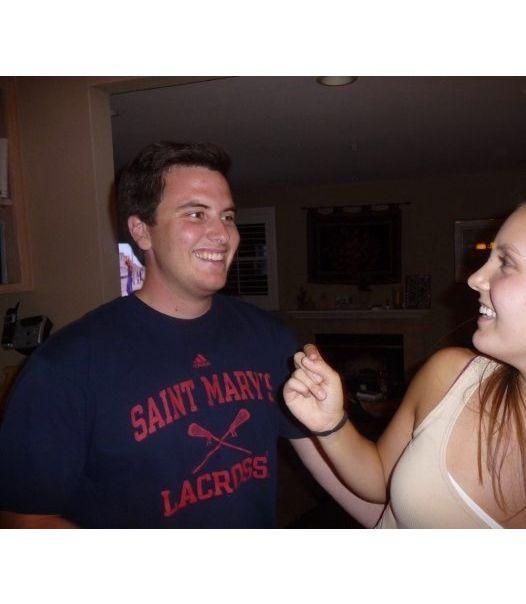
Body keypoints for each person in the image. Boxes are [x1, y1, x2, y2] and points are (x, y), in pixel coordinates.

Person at [0, 141, 383, 528]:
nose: (223, 234)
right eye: (196, 214)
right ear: (141, 231)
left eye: (227, 216)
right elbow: (23, 518)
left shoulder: (271, 340)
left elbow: (340, 476)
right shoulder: (65, 364)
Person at [285, 191, 526, 528]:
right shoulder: (450, 376)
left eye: (506, 263)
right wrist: (331, 424)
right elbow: (380, 480)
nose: (474, 279)